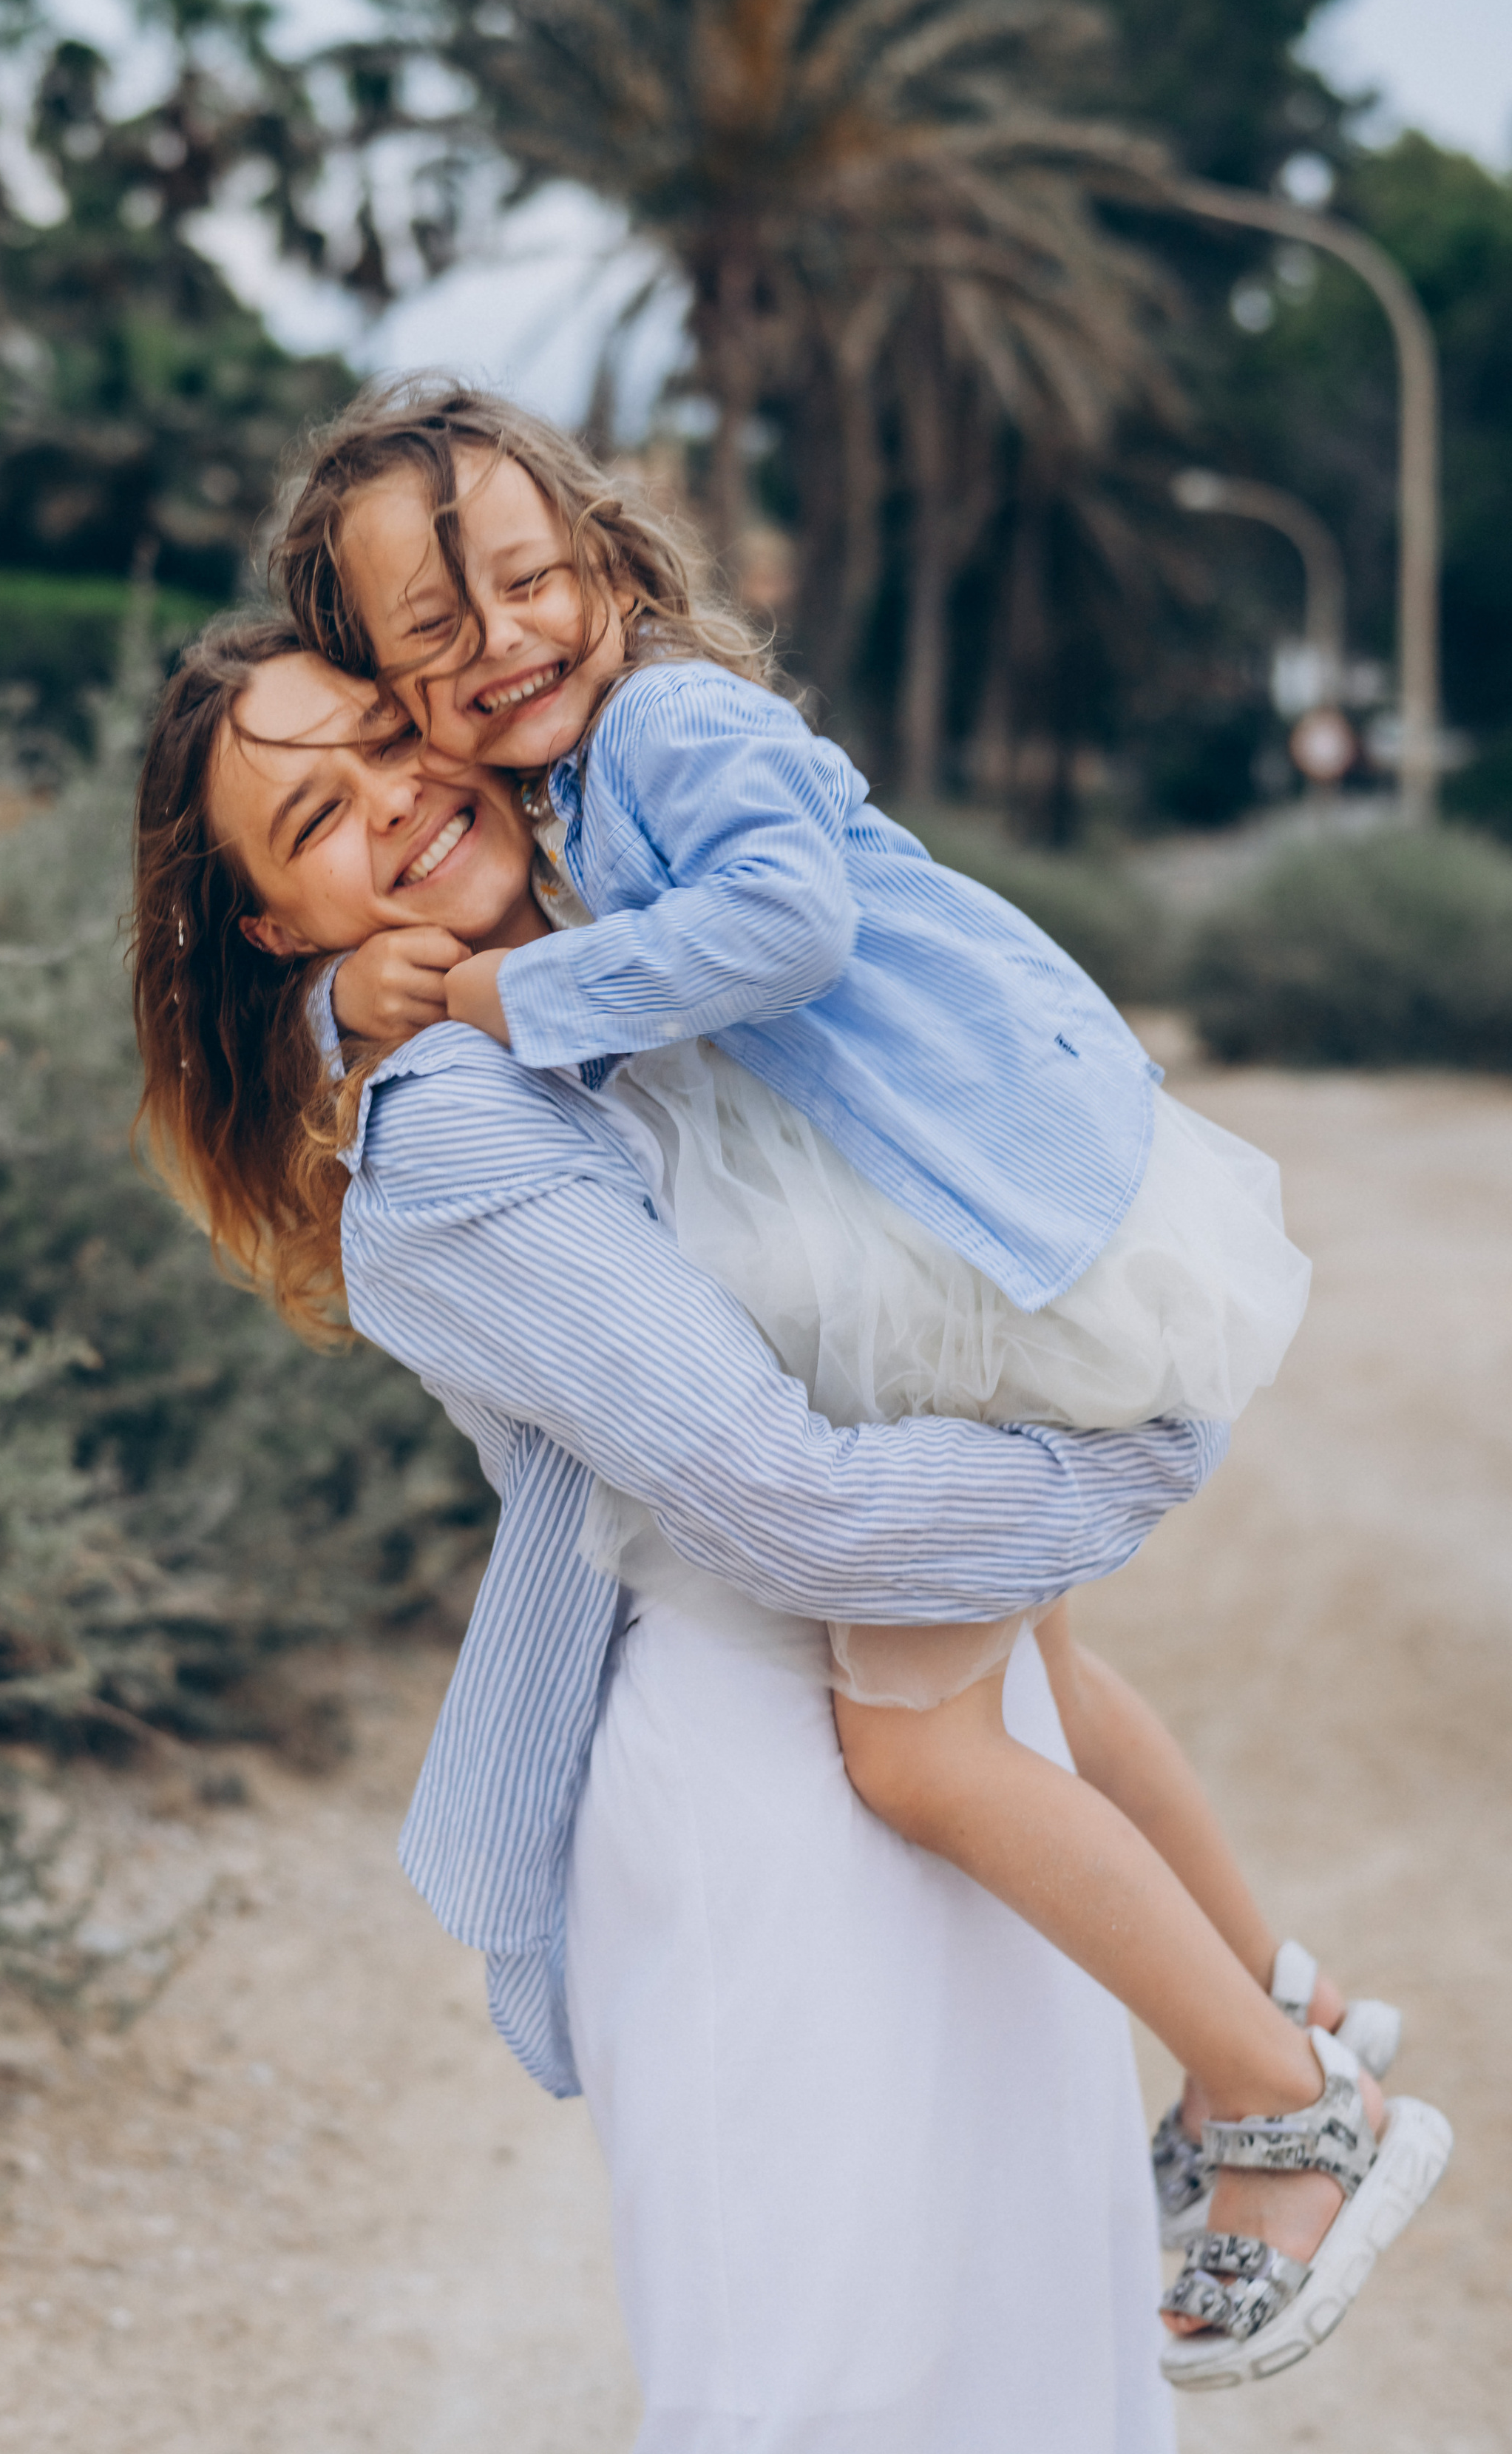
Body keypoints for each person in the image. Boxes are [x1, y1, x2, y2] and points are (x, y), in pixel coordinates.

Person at [270, 379, 1451, 2387]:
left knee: (915, 1746)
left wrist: (491, 992)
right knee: (1044, 1680)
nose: (500, 651)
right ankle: (1285, 1986)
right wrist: (345, 988)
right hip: (960, 1226)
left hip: (976, 1240)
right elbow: (424, 917)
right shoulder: (567, 780)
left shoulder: (672, 723)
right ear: (391, 689)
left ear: (612, 562)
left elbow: (783, 920)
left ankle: (1290, 2114)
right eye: (434, 643)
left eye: (530, 584)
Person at [131, 619, 1231, 2447]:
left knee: (1044, 2358)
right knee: (813, 2383)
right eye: (317, 816)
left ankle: (1276, 2037)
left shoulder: (633, 952)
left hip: (945, 1712)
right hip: (761, 1787)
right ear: (276, 927)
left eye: (392, 736)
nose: (399, 798)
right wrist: (1111, 1475)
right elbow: (784, 1500)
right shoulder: (455, 1128)